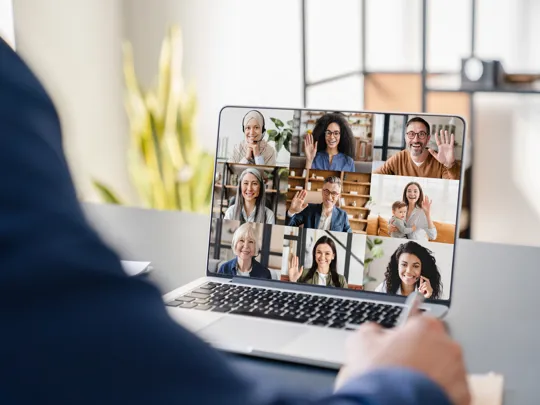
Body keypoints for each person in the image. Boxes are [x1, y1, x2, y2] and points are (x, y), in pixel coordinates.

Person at [0, 37, 471, 405]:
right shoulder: (277, 227)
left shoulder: (342, 204)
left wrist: (441, 177)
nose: (245, 246)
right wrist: (401, 388)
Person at [374, 117, 461, 180]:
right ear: (405, 138)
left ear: (427, 139)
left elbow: (453, 187)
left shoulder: (440, 161)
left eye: (421, 134)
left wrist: (450, 165)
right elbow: (375, 176)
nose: (416, 139)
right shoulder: (398, 158)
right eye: (411, 134)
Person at [375, 241, 443, 299]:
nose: (408, 271)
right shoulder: (384, 288)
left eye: (415, 266)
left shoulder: (429, 292)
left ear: (422, 269)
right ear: (397, 266)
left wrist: (425, 299)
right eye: (404, 265)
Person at [286, 176, 351, 232]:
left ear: (338, 196)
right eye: (326, 191)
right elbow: (288, 227)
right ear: (322, 192)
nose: (329, 197)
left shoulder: (343, 215)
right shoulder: (309, 209)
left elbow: (349, 237)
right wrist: (292, 211)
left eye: (334, 193)